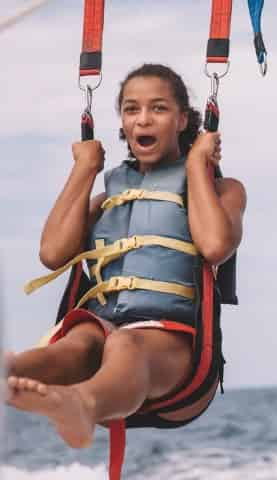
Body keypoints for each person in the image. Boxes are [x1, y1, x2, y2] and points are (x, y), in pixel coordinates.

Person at [4, 63, 246, 449]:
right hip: (102, 329)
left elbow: (216, 245)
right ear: (122, 121)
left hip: (172, 347)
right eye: (132, 109)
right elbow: (52, 253)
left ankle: (81, 404)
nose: (143, 119)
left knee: (125, 344)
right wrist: (84, 169)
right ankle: (8, 374)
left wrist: (198, 165)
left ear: (183, 119)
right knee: (77, 341)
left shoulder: (223, 189)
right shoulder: (108, 195)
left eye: (159, 108)